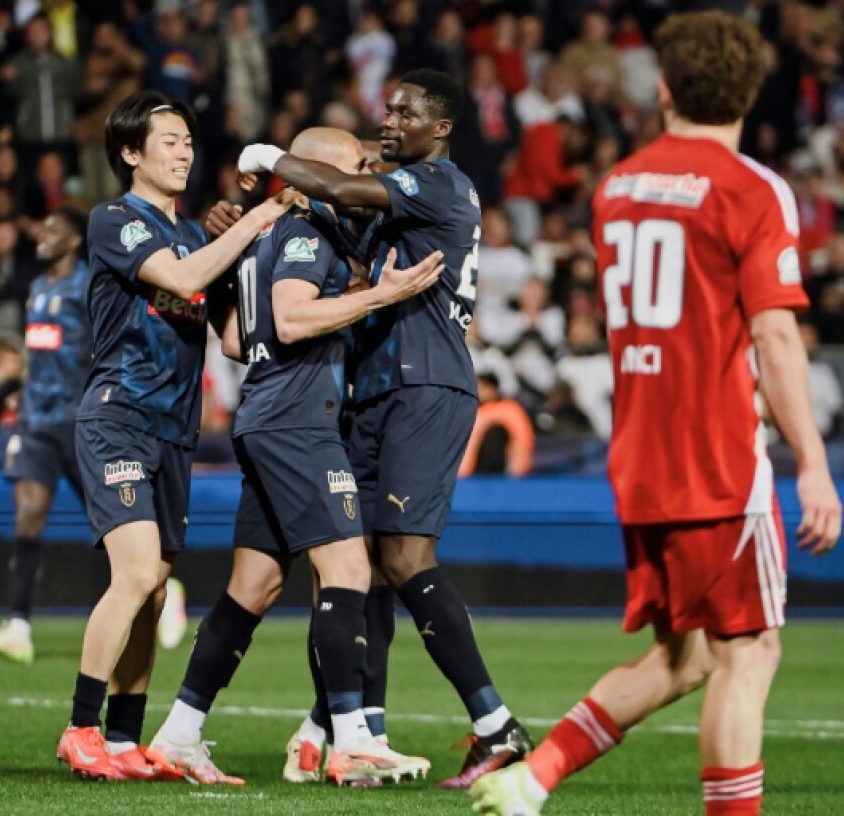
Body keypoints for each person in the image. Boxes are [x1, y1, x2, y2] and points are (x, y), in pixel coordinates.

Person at [470, 12, 842, 816]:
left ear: (666, 87)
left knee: (689, 658)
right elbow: (774, 334)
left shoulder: (619, 187)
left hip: (641, 457)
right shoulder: (751, 188)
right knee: (750, 653)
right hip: (717, 456)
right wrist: (812, 461)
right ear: (748, 90)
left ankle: (532, 777)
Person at [239, 67, 533, 789]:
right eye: (387, 108)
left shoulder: (439, 182)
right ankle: (351, 730)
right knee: (357, 567)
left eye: (406, 113)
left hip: (425, 384)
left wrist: (265, 157)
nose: (388, 120)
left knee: (402, 559)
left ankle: (496, 727)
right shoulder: (401, 197)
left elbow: (336, 188)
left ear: (440, 128)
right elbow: (330, 208)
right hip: (375, 390)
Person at [145, 126, 443, 787]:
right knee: (348, 570)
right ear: (315, 170)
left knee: (254, 587)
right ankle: (354, 738)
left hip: (262, 418)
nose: (368, 174)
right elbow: (290, 319)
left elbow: (233, 339)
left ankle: (179, 733)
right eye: (358, 164)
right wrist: (381, 296)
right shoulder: (309, 229)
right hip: (298, 425)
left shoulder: (263, 234)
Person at [54, 89, 289, 782]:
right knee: (133, 574)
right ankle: (81, 727)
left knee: (156, 590)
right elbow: (182, 279)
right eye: (168, 141)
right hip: (118, 414)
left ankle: (125, 741)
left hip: (175, 432)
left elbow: (237, 340)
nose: (184, 151)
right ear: (131, 153)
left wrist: (286, 280)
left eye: (189, 141)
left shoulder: (197, 238)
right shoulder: (114, 220)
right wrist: (262, 217)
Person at [0, 208, 91, 666]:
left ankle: (161, 588)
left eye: (52, 230)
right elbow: (39, 354)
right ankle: (19, 627)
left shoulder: (88, 286)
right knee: (28, 514)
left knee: (114, 527)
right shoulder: (37, 288)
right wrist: (13, 388)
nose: (42, 236)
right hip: (36, 422)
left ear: (75, 240)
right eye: (42, 228)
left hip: (82, 420)